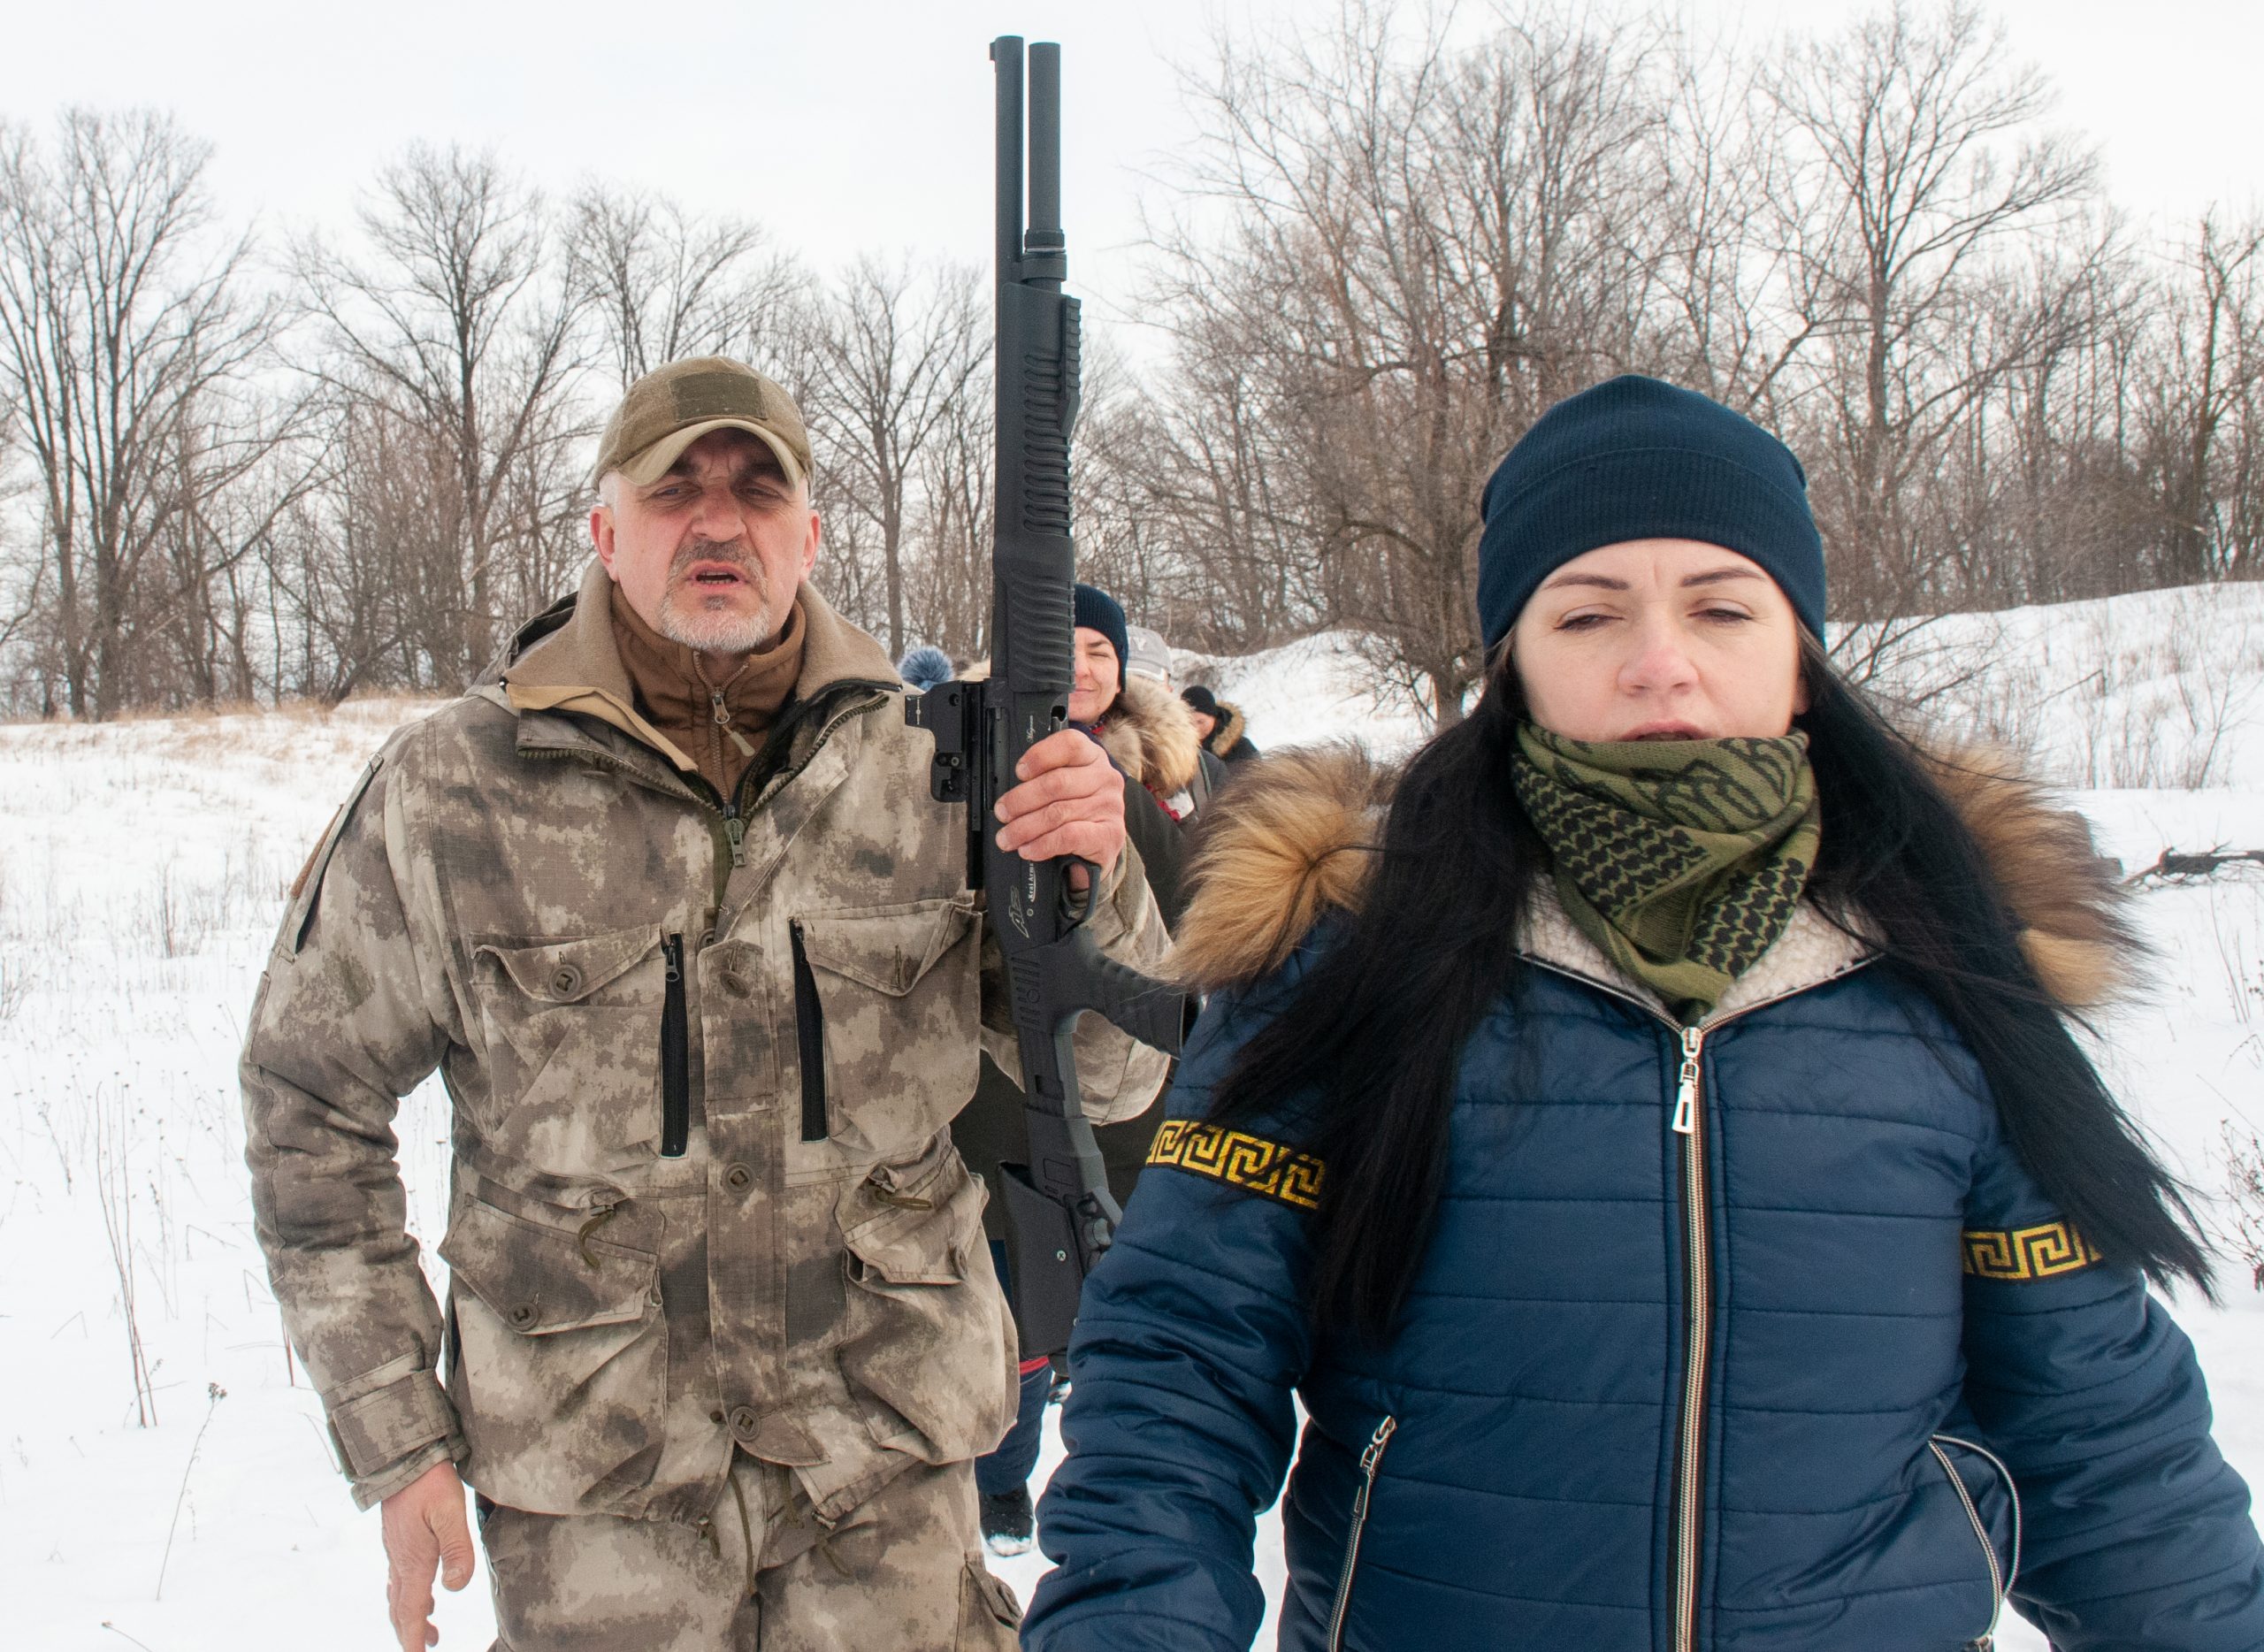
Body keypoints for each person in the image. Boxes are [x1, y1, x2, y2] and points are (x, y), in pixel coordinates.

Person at [1024, 376, 2264, 1649]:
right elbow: (1180, 1365)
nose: (1658, 660)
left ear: (1802, 658)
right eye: (1587, 611)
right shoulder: (1351, 949)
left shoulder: (1955, 971)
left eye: (1723, 607)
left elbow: (2105, 1443)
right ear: (1516, 661)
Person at [241, 356, 1171, 1652]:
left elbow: (1116, 1077)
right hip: (595, 1515)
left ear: (810, 536)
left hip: (881, 1492)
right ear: (605, 532)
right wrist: (397, 1437)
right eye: (675, 489)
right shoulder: (455, 789)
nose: (718, 521)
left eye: (755, 488)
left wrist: (1096, 878)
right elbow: (307, 1109)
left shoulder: (939, 771)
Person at [950, 584, 1213, 1557]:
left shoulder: (1172, 780)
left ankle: (1115, 1490)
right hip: (999, 1077)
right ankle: (1003, 1478)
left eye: (1101, 648)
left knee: (1123, 1299)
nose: (1083, 665)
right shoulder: (967, 760)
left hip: (1138, 1075)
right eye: (1062, 646)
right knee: (1012, 1297)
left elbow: (1203, 915)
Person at [1180, 684, 1260, 766]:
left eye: (1201, 722)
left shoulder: (1242, 748)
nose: (1196, 728)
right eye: (1189, 723)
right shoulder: (1178, 749)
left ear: (1214, 717)